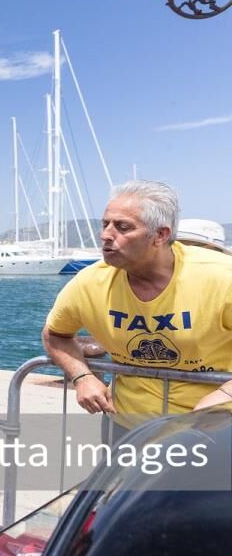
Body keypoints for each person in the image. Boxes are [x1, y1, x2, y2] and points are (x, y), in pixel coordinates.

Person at [43, 181, 232, 422]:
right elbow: (55, 334)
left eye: (122, 227)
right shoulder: (90, 282)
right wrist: (83, 377)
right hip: (126, 427)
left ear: (160, 235)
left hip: (212, 427)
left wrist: (224, 395)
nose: (106, 235)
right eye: (105, 224)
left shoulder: (221, 278)